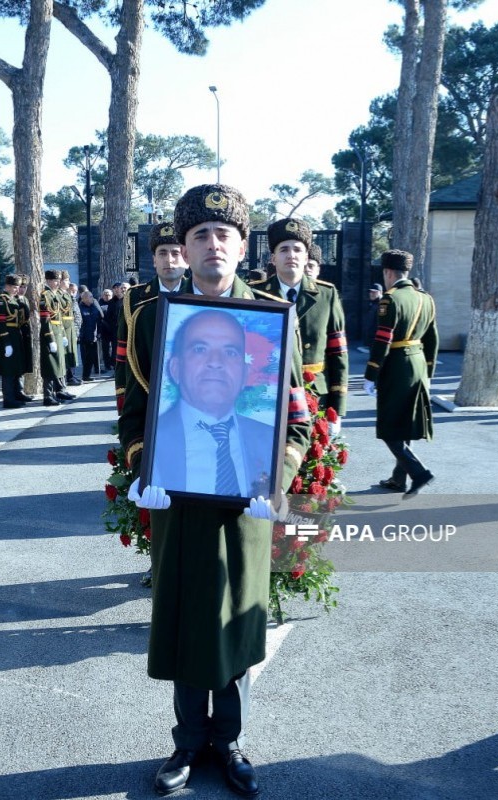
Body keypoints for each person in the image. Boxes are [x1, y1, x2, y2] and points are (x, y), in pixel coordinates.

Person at [120, 183, 311, 799]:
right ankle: (184, 742)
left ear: (241, 243)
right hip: (178, 498)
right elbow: (135, 410)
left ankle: (227, 740)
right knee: (182, 615)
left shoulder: (274, 318)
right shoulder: (153, 318)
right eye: (198, 234)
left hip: (244, 502)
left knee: (232, 619)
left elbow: (298, 417)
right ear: (184, 246)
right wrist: (142, 469)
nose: (211, 245)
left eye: (222, 234)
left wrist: (274, 480)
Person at [149, 309, 275, 499]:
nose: (216, 362)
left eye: (230, 352)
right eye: (200, 349)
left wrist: (275, 490)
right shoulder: (152, 440)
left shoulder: (269, 439)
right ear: (175, 368)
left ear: (244, 374)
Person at [250, 216, 348, 422]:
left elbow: (337, 352)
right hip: (267, 394)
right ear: (273, 258)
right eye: (284, 249)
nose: (291, 255)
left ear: (306, 257)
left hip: (314, 392)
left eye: (297, 249)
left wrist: (337, 408)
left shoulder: (326, 294)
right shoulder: (256, 295)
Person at [364, 250, 438, 497]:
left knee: (389, 426)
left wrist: (372, 372)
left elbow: (383, 339)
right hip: (418, 363)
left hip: (396, 365)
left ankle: (419, 472)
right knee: (406, 423)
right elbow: (432, 338)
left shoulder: (390, 299)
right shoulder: (425, 298)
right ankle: (399, 479)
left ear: (387, 272)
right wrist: (428, 369)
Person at [115, 222, 188, 412]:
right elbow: (123, 354)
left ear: (186, 258)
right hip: (145, 394)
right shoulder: (134, 298)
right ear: (154, 260)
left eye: (175, 253)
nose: (169, 260)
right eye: (162, 253)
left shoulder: (199, 296)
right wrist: (123, 398)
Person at [39, 270, 72, 405]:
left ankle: (57, 391)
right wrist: (50, 339)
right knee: (50, 365)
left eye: (58, 280)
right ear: (48, 280)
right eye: (54, 280)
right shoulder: (45, 296)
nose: (57, 282)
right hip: (50, 333)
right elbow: (45, 320)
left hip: (58, 331)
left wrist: (63, 334)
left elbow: (59, 317)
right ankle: (47, 396)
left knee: (58, 364)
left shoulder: (55, 295)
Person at [0, 274, 26, 408]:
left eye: (17, 287)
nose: (16, 289)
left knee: (16, 368)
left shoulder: (14, 299)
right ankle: (8, 399)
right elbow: (1, 323)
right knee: (8, 370)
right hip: (8, 337)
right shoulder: (2, 300)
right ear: (7, 286)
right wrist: (6, 343)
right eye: (13, 287)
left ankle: (17, 394)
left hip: (16, 335)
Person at [15, 276, 36, 402]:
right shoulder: (14, 300)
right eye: (20, 287)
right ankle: (18, 391)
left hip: (26, 333)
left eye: (24, 287)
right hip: (18, 333)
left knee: (24, 363)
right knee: (18, 364)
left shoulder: (25, 300)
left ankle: (21, 390)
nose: (22, 289)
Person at [78, 289, 104, 382]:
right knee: (86, 357)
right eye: (90, 297)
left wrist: (97, 305)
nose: (92, 298)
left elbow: (101, 317)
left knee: (91, 357)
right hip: (84, 336)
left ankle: (87, 375)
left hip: (94, 336)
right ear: (84, 298)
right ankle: (84, 375)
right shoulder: (80, 308)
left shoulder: (94, 307)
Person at [98, 288, 116, 373]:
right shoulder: (99, 304)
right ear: (102, 295)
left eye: (108, 294)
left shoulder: (114, 303)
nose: (107, 296)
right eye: (105, 294)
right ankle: (107, 365)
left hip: (113, 329)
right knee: (105, 349)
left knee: (114, 348)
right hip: (103, 330)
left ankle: (113, 363)